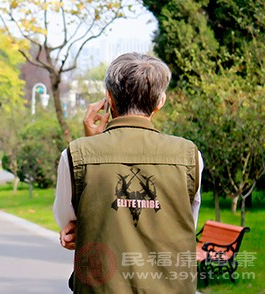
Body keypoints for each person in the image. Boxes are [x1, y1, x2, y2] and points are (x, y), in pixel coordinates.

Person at [53, 52, 203, 293]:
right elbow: (185, 223)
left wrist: (93, 146)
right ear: (160, 101)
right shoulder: (189, 155)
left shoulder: (75, 154)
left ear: (109, 98)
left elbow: (71, 224)